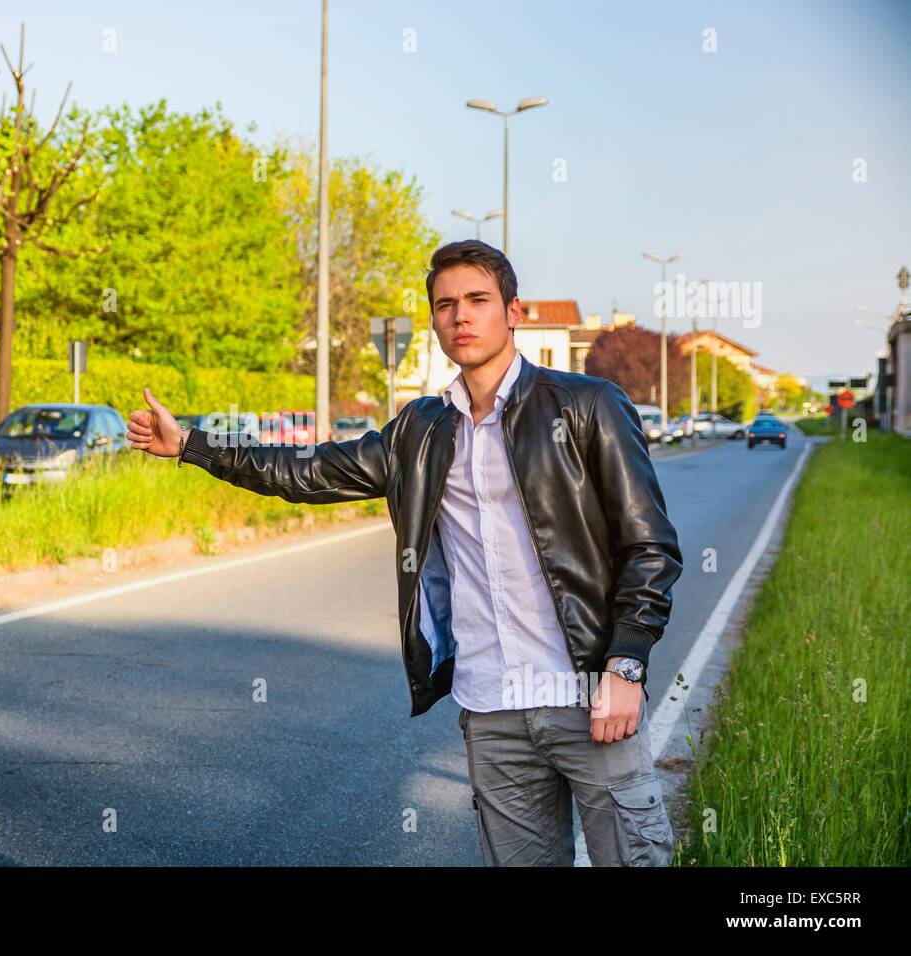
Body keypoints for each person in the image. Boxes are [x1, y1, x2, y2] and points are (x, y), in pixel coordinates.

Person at [125, 239, 682, 866]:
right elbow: (307, 470)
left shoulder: (587, 405)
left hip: (590, 694)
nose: (461, 317)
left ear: (514, 312)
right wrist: (195, 446)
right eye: (445, 306)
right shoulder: (420, 429)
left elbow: (650, 547)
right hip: (491, 706)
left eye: (478, 300)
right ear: (435, 323)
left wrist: (626, 665)